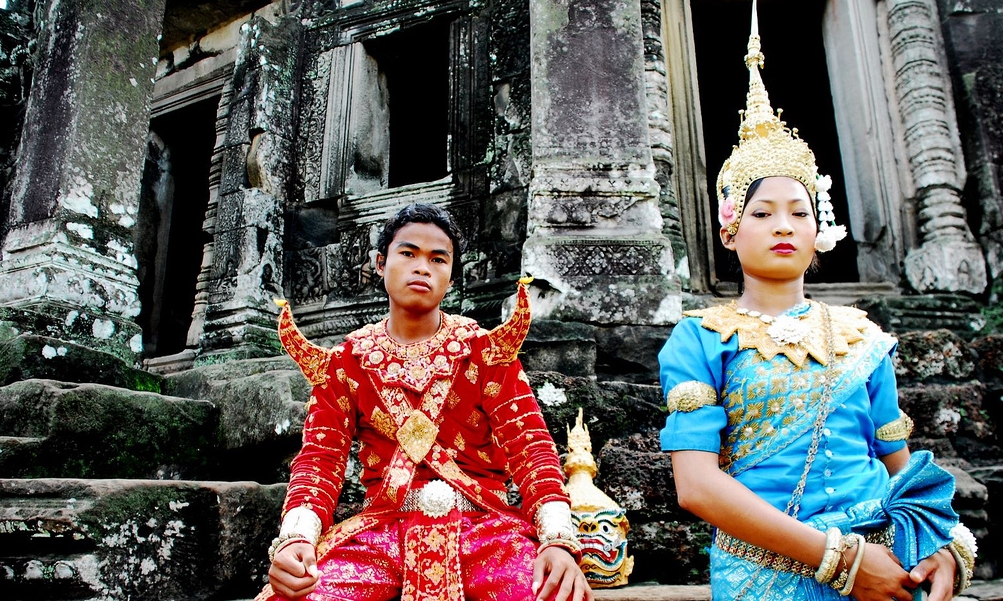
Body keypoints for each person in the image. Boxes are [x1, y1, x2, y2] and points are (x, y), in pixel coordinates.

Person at [657, 3, 976, 601]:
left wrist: (943, 548)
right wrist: (844, 562)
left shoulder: (863, 335)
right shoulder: (701, 337)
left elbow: (898, 468)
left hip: (886, 566)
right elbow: (697, 486)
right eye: (763, 213)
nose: (784, 225)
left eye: (799, 212)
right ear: (730, 230)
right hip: (767, 570)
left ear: (818, 228)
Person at [255, 203, 593, 601]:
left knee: (555, 595)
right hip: (383, 530)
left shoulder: (487, 353)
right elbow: (320, 459)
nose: (422, 267)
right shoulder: (346, 362)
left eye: (437, 259)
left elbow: (531, 447)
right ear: (380, 264)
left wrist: (556, 540)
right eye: (408, 253)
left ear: (450, 278)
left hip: (485, 530)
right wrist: (297, 538)